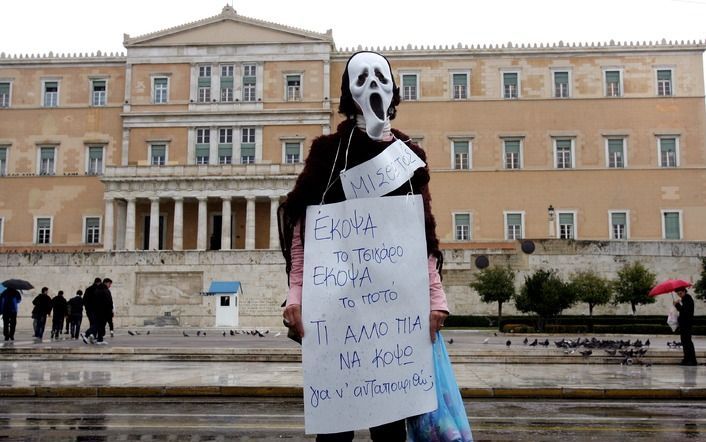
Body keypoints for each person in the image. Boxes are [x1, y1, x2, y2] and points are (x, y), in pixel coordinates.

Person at [279, 51, 448, 442]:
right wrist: (296, 291)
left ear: (392, 89)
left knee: (390, 429)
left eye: (380, 76)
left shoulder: (410, 157)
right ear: (348, 92)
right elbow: (305, 225)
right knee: (335, 432)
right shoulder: (327, 152)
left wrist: (436, 296)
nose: (373, 83)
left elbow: (423, 231)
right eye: (362, 77)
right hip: (337, 309)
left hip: (393, 310)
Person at [674, 287, 697, 366]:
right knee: (685, 342)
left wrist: (677, 305)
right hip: (684, 324)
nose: (679, 295)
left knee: (687, 342)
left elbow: (684, 311)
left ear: (684, 291)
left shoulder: (687, 298)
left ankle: (691, 360)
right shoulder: (685, 299)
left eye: (680, 293)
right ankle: (687, 359)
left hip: (687, 324)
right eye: (678, 294)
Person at [92, 278, 113, 345]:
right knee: (100, 325)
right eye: (109, 284)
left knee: (99, 325)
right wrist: (110, 311)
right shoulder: (105, 290)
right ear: (106, 283)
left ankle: (99, 339)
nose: (110, 285)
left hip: (98, 311)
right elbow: (108, 302)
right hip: (103, 311)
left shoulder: (97, 290)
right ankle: (89, 335)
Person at [81, 277, 101, 342]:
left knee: (92, 323)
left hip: (88, 310)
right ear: (99, 282)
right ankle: (86, 334)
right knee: (96, 323)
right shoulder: (98, 289)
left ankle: (92, 337)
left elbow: (84, 300)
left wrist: (87, 307)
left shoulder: (88, 289)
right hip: (95, 309)